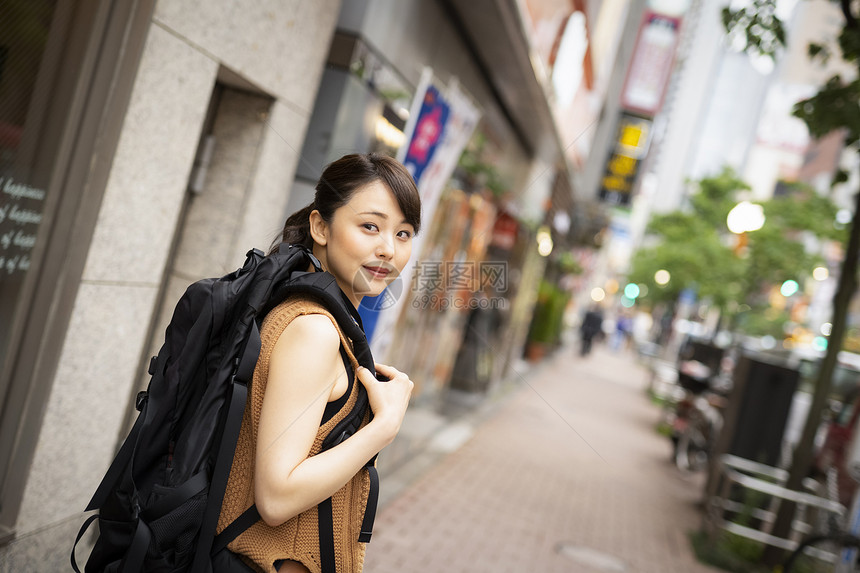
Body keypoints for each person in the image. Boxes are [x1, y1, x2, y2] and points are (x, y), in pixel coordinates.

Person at [214, 153, 421, 573]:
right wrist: (384, 426)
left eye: (403, 233)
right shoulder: (315, 331)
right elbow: (276, 497)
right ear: (321, 227)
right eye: (370, 226)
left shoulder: (318, 314)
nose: (388, 249)